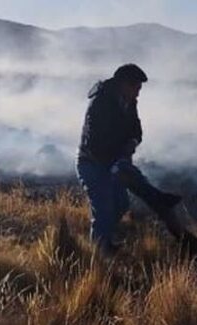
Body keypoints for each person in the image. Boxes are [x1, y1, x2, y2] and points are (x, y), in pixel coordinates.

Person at [76, 64, 181, 254]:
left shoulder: (128, 101)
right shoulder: (100, 103)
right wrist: (119, 157)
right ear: (124, 84)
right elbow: (95, 142)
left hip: (115, 162)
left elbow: (136, 129)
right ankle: (99, 254)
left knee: (121, 204)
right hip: (93, 163)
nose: (138, 94)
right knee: (104, 209)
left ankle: (103, 236)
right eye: (137, 88)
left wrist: (132, 142)